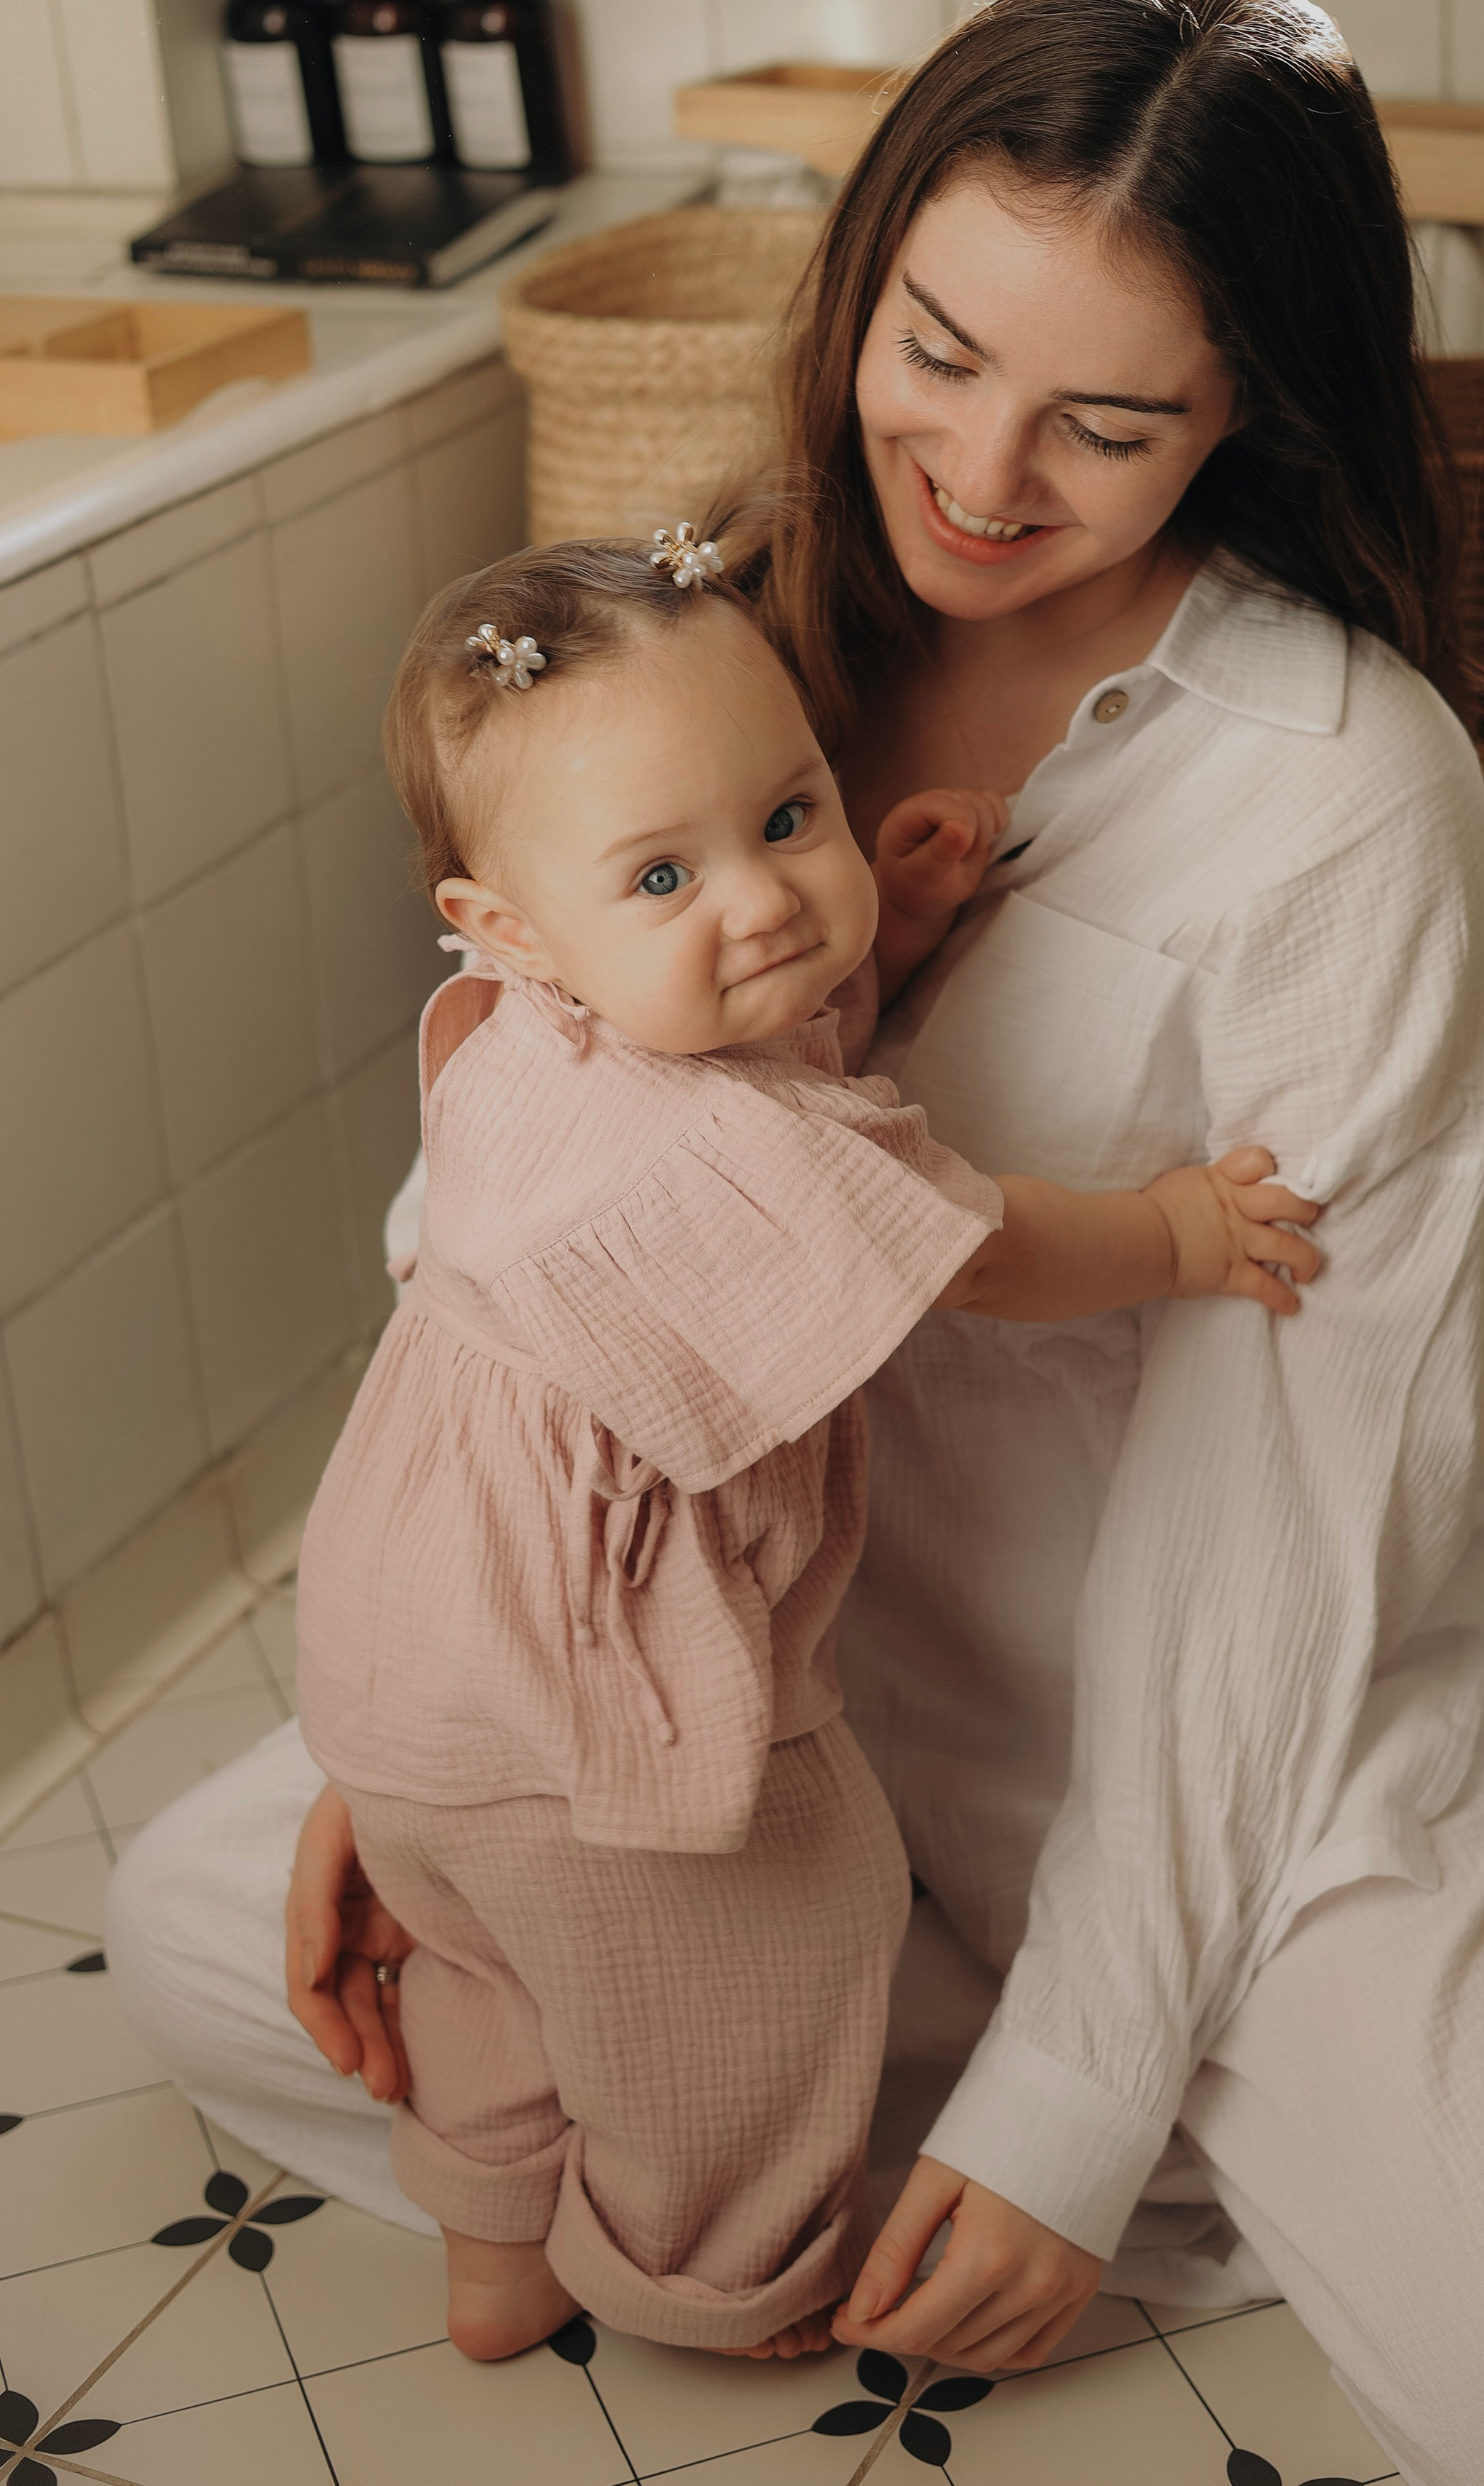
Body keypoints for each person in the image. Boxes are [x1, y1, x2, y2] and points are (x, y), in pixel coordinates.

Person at [106, 0, 1484, 2486]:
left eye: (1110, 418)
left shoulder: (1341, 791)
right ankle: (960, 2054)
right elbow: (513, 1226)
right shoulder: (709, 640)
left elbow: (1283, 1499)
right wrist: (430, 1749)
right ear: (863, 269)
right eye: (933, 347)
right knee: (210, 1923)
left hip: (1246, 1716)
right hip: (758, 1705)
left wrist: (1074, 2078)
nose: (982, 473)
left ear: (1250, 406)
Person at [291, 534, 1309, 2363]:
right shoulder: (719, 1157)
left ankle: (495, 2254)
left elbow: (748, 1032)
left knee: (484, 1957)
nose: (760, 905)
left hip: (397, 1678)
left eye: (788, 816)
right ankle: (713, 2273)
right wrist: (1171, 1234)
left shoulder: (538, 1035)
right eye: (666, 872)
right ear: (505, 925)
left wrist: (885, 928)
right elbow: (974, 1250)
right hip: (582, 1704)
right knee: (752, 1953)